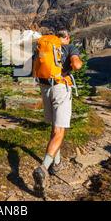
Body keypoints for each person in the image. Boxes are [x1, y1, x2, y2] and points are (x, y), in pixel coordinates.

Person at [32, 29, 83, 198]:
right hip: (61, 88)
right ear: (67, 38)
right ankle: (43, 168)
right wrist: (77, 63)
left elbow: (35, 67)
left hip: (45, 88)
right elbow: (76, 65)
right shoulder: (69, 48)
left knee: (54, 127)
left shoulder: (45, 46)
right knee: (60, 131)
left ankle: (57, 163)